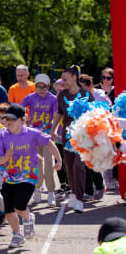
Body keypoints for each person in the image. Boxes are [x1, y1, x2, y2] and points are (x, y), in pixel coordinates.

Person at [0, 104, 62, 248]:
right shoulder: (2, 135)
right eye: (7, 119)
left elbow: (49, 143)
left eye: (12, 120)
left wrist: (59, 159)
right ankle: (17, 235)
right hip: (8, 177)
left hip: (28, 176)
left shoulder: (32, 134)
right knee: (9, 211)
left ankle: (28, 217)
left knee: (19, 206)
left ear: (23, 120)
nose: (9, 123)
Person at [50, 66, 94, 213]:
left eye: (65, 78)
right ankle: (74, 194)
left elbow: (96, 115)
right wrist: (53, 129)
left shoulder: (86, 94)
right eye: (62, 79)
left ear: (74, 77)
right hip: (67, 136)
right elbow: (59, 113)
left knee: (78, 166)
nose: (63, 81)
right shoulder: (61, 94)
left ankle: (80, 200)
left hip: (83, 137)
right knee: (69, 167)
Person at [21, 74, 58, 206]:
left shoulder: (53, 99)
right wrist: (23, 117)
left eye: (44, 87)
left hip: (47, 135)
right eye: (39, 86)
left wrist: (54, 130)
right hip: (33, 136)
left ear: (48, 86)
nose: (41, 89)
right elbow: (20, 108)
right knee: (36, 163)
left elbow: (56, 116)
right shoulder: (30, 97)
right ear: (35, 86)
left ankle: (51, 192)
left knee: (49, 163)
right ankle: (37, 188)